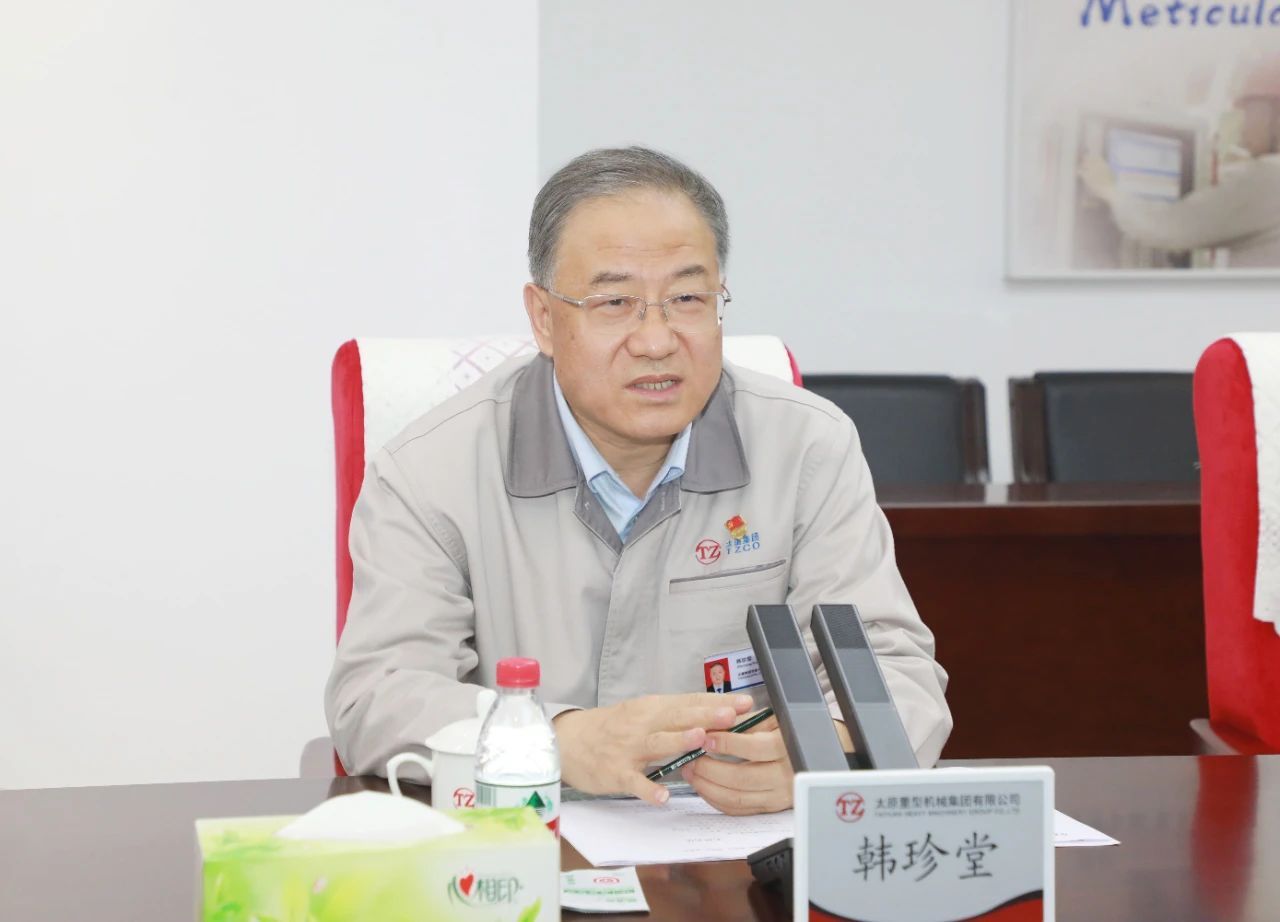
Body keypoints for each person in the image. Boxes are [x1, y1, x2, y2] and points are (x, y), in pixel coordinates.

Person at [325, 147, 951, 816]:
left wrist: (823, 753)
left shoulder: (808, 448)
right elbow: (378, 696)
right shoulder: (431, 469)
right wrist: (559, 740)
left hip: (733, 850)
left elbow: (896, 670)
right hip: (527, 841)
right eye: (615, 302)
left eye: (687, 298)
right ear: (543, 318)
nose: (656, 340)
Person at [1078, 59, 1280, 268]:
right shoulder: (1263, 180)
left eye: (1250, 114)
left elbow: (1168, 228)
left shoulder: (1267, 179)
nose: (1243, 126)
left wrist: (1109, 190)